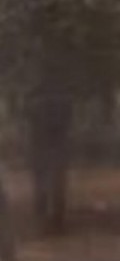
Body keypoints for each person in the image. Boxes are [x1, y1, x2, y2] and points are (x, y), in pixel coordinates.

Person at [26, 85, 73, 235]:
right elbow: (67, 124)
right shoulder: (65, 102)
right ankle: (58, 221)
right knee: (58, 185)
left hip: (40, 148)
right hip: (58, 149)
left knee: (41, 184)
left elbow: (30, 123)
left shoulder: (35, 104)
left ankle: (41, 219)